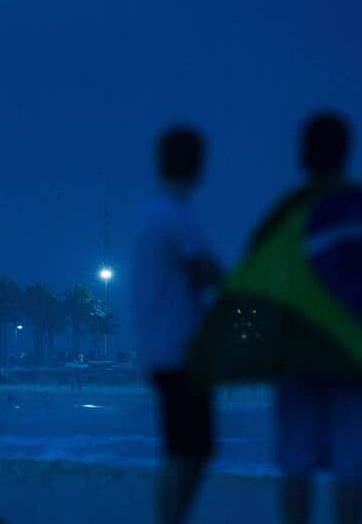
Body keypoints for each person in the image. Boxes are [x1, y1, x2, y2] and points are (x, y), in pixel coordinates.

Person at [265, 112, 362, 524]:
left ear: (302, 156)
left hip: (296, 360)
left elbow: (259, 287)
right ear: (347, 154)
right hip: (350, 357)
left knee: (296, 468)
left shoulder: (285, 214)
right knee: (351, 470)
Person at [130, 125, 223, 524]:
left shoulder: (155, 215)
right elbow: (206, 271)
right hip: (180, 352)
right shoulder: (173, 216)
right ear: (198, 165)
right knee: (190, 451)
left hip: (164, 350)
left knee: (187, 450)